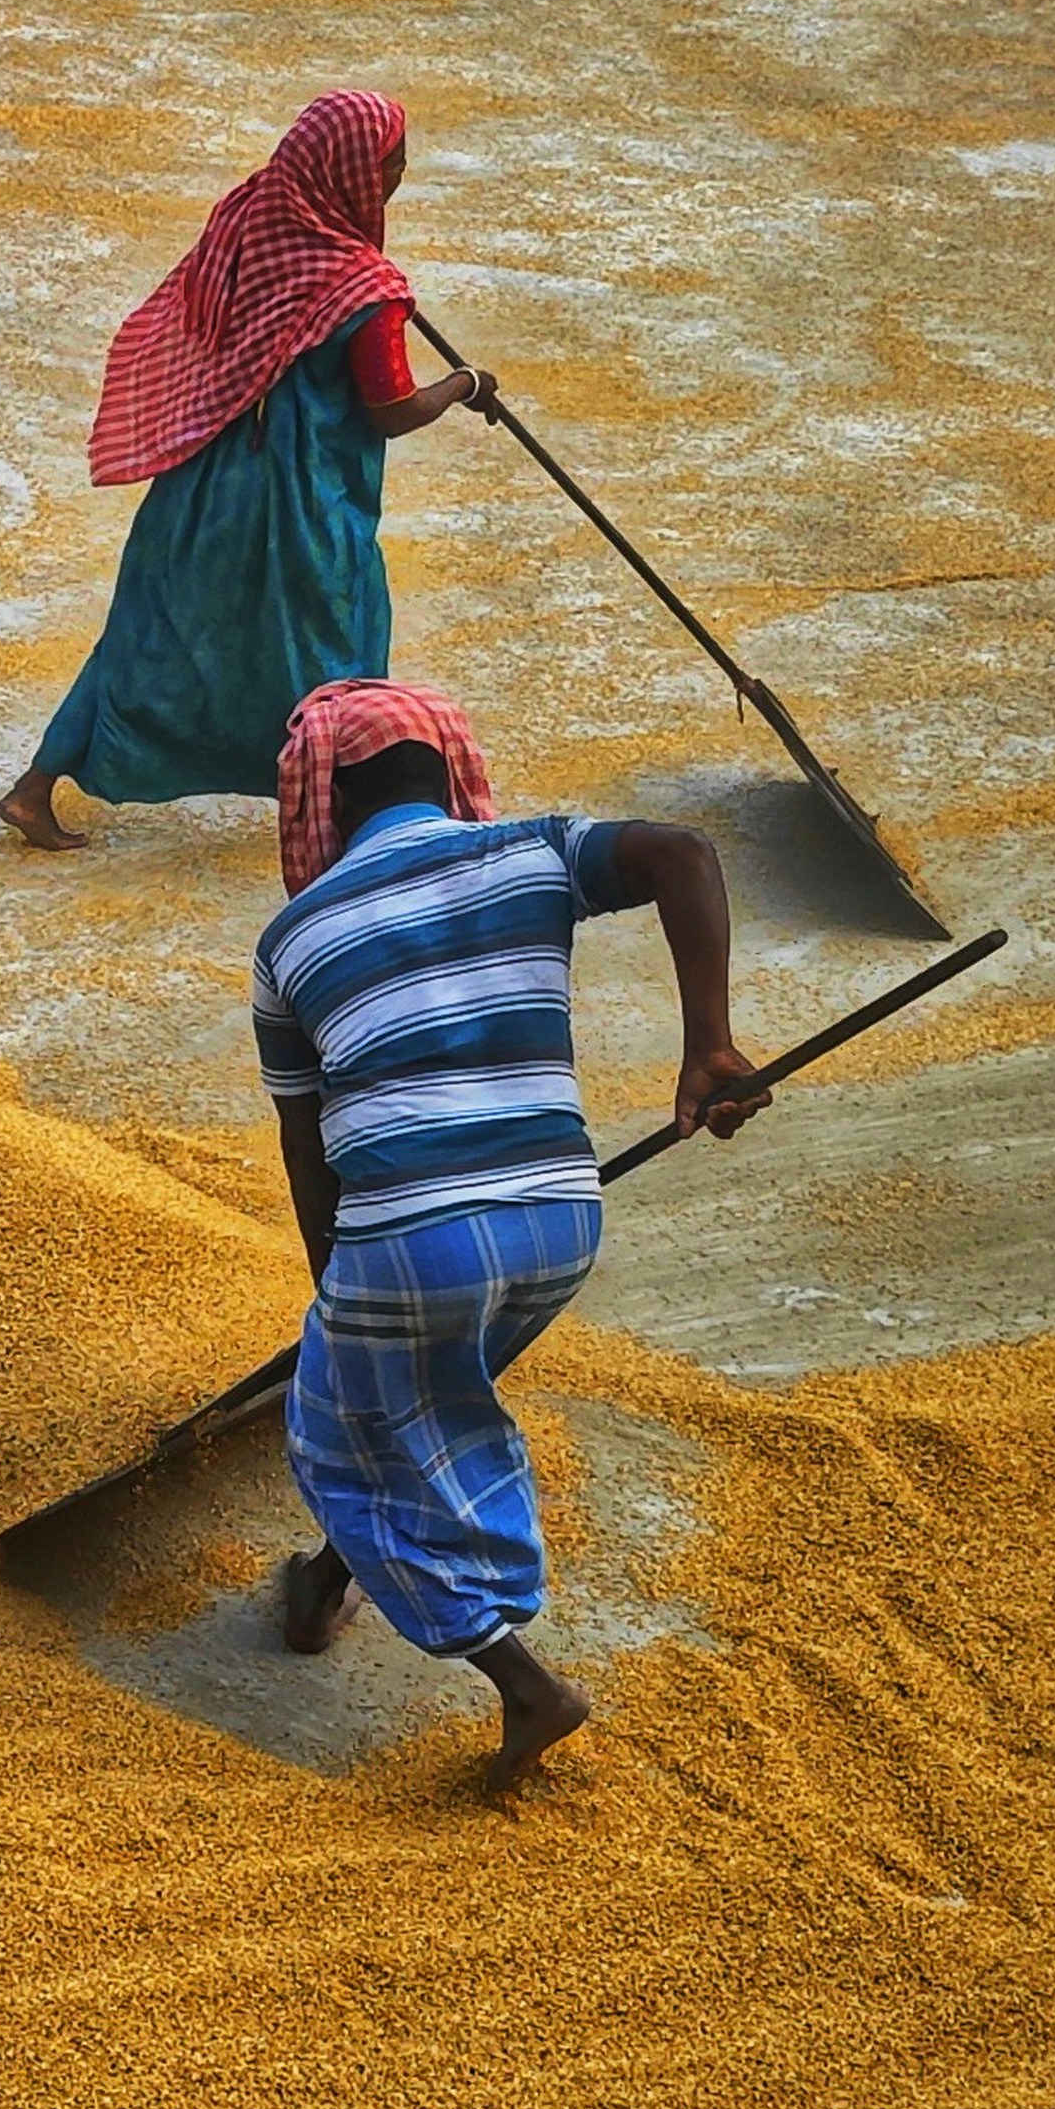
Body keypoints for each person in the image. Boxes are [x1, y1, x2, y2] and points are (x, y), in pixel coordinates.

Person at [252, 679, 769, 1786]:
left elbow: (309, 1150)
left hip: (409, 1236)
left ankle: (523, 1683)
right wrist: (709, 1047)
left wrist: (337, 1299)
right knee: (420, 1393)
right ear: (451, 773)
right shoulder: (533, 853)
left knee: (338, 1436)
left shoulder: (290, 939)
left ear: (320, 806)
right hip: (558, 1222)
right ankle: (326, 1582)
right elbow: (682, 851)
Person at [3, 91, 501, 851]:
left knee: (151, 638)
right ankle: (348, 824)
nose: (399, 172)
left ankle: (35, 788)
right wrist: (465, 386)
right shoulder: (367, 294)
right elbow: (391, 408)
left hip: (205, 488)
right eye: (390, 160)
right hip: (306, 507)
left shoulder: (252, 221)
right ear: (351, 173)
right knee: (338, 658)